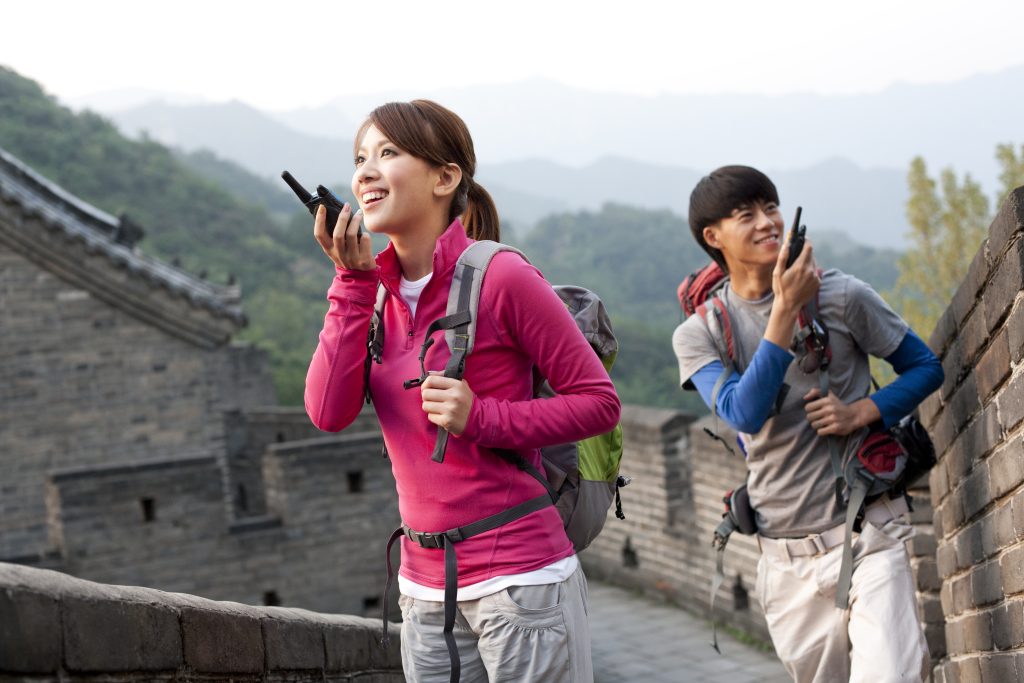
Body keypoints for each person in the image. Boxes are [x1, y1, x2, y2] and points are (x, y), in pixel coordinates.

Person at [304, 99, 620, 683]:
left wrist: (484, 418)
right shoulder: (371, 297)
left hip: (521, 584)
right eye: (360, 158)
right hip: (423, 593)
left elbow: (600, 403)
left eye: (388, 153)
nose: (366, 171)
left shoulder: (501, 276)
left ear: (446, 177)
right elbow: (327, 413)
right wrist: (350, 283)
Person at [672, 166, 943, 682]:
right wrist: (784, 313)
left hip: (868, 532)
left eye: (771, 208)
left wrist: (864, 411)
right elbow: (741, 412)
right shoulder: (699, 332)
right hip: (785, 557)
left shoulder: (842, 295)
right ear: (713, 237)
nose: (767, 222)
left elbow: (927, 366)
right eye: (745, 215)